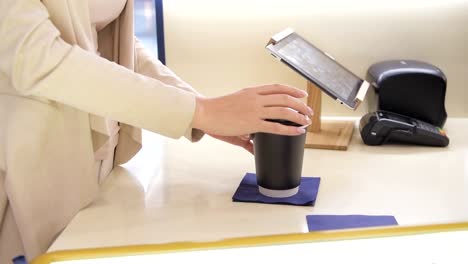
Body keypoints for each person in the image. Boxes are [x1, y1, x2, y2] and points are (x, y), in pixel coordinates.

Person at [0, 0, 312, 262]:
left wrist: (199, 109)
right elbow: (34, 57)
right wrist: (200, 112)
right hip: (32, 149)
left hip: (98, 153)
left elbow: (115, 42)